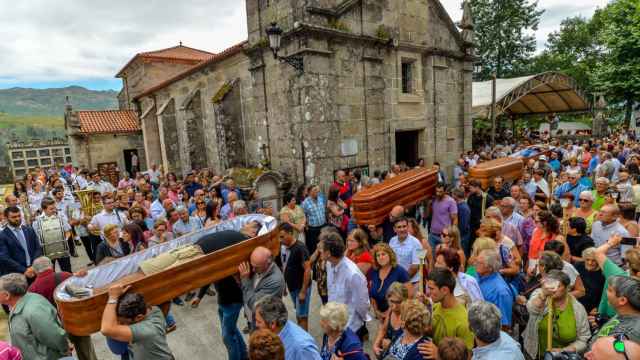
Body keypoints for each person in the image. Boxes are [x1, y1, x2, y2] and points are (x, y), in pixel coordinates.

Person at [27, 257, 97, 360]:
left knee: (64, 356)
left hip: (54, 328)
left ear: (36, 270)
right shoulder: (65, 276)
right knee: (87, 352)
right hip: (75, 321)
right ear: (51, 265)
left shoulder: (32, 289)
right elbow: (82, 294)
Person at [523, 270, 590, 359]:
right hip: (534, 353)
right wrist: (543, 295)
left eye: (557, 286)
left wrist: (564, 350)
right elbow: (532, 309)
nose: (552, 289)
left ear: (567, 288)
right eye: (549, 284)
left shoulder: (578, 309)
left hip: (561, 357)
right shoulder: (540, 293)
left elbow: (583, 339)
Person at [0, 273, 69, 360]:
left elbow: (54, 336)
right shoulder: (18, 304)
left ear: (7, 295)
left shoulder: (33, 311)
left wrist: (65, 350)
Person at [100, 284, 175, 360]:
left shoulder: (146, 330)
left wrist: (113, 297)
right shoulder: (153, 310)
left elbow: (106, 330)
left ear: (139, 317)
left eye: (125, 322)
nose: (123, 325)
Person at [320, 231, 370, 337]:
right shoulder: (329, 264)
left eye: (321, 248)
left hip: (350, 327)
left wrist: (357, 323)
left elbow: (362, 303)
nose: (319, 250)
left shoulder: (353, 274)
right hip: (332, 323)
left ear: (328, 253)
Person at [254, 296, 321, 360]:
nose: (256, 325)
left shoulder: (301, 347)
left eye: (259, 322)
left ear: (272, 324)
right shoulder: (276, 333)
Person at [426, 268, 474, 349]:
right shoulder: (436, 306)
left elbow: (467, 356)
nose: (428, 292)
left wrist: (437, 355)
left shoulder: (463, 322)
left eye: (431, 289)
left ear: (445, 290)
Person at [238, 246, 285, 326]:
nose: (253, 270)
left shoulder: (275, 281)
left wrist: (245, 280)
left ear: (268, 263)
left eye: (256, 267)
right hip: (253, 318)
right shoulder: (260, 268)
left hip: (263, 324)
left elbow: (255, 305)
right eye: (252, 266)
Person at [277, 223, 312, 330]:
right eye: (279, 237)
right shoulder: (282, 247)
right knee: (299, 313)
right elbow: (283, 266)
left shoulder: (300, 248)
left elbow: (307, 269)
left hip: (301, 287)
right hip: (292, 287)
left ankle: (303, 342)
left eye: (282, 236)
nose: (280, 239)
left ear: (290, 233)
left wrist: (303, 291)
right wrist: (284, 285)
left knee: (302, 316)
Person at [369, 243, 410, 320]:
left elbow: (409, 295)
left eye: (383, 254)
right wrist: (376, 311)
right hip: (379, 316)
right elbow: (372, 294)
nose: (381, 257)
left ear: (390, 255)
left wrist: (389, 313)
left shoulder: (400, 271)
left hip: (397, 315)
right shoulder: (374, 271)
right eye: (378, 255)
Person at [475, 249, 514, 328]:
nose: (475, 264)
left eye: (480, 263)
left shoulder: (501, 291)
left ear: (490, 268)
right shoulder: (479, 276)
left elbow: (504, 325)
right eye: (476, 261)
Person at [0, 206, 42, 278]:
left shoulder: (29, 230)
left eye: (19, 216)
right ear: (6, 218)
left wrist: (33, 266)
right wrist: (24, 270)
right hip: (16, 274)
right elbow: (5, 257)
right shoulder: (3, 235)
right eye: (14, 217)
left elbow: (38, 248)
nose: (17, 219)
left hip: (34, 270)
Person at [373, 282, 409, 357]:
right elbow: (383, 329)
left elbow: (410, 347)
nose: (395, 306)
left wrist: (391, 345)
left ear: (405, 300)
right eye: (392, 301)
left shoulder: (409, 316)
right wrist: (376, 345)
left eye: (398, 302)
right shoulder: (390, 310)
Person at [389, 217, 423, 284]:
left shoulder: (417, 243)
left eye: (404, 226)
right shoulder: (392, 241)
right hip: (396, 281)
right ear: (394, 229)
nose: (402, 229)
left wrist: (402, 281)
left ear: (407, 227)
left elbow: (416, 266)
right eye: (399, 227)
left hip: (412, 282)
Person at [574, 248, 605, 314]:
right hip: (577, 306)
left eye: (593, 260)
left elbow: (605, 295)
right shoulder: (578, 266)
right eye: (587, 259)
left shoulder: (603, 273)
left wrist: (598, 307)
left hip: (593, 309)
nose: (590, 263)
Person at [429, 183, 458, 253]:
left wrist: (451, 234)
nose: (438, 194)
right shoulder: (434, 200)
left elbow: (455, 219)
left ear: (445, 191)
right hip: (433, 234)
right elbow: (427, 215)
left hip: (445, 236)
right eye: (437, 191)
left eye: (440, 192)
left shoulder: (451, 201)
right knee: (431, 256)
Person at [467, 180, 494, 254]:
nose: (470, 189)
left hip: (482, 227)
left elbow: (492, 214)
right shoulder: (471, 197)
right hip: (472, 227)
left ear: (477, 187)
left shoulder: (488, 198)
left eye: (471, 188)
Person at [301, 185, 326, 255]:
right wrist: (306, 226)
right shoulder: (305, 203)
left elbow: (324, 211)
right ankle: (314, 263)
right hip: (312, 229)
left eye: (317, 190)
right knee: (313, 247)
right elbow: (303, 215)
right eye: (315, 190)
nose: (317, 191)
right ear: (309, 192)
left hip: (323, 227)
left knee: (324, 245)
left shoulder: (321, 199)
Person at [452, 188, 472, 254]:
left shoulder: (463, 208)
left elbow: (464, 226)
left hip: (463, 237)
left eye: (453, 194)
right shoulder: (459, 206)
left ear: (456, 195)